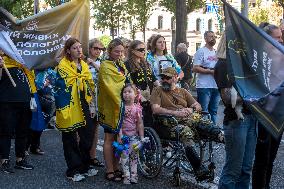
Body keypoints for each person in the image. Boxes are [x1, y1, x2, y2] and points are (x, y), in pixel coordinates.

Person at [150, 67, 224, 182]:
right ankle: (199, 169)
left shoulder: (183, 91)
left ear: (175, 78)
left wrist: (191, 109)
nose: (164, 80)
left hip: (187, 118)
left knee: (200, 119)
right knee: (186, 132)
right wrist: (175, 113)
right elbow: (155, 109)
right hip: (168, 122)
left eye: (167, 78)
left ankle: (220, 135)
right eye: (162, 77)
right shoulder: (157, 90)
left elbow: (198, 106)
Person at [214, 32, 257, 189]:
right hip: (235, 121)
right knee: (233, 169)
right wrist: (253, 92)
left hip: (251, 117)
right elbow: (227, 99)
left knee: (246, 169)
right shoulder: (223, 65)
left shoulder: (246, 63)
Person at [54, 37, 97, 182]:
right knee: (70, 138)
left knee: (87, 136)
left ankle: (85, 165)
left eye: (80, 47)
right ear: (68, 51)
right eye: (74, 48)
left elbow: (90, 84)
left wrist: (91, 105)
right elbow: (60, 87)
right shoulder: (63, 65)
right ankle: (73, 170)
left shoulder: (84, 65)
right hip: (69, 105)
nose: (79, 50)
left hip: (84, 103)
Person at [252, 24, 284, 189]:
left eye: (281, 37)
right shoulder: (258, 57)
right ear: (266, 38)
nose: (280, 40)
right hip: (263, 115)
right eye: (277, 37)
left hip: (279, 115)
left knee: (271, 158)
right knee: (262, 158)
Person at [97, 38, 129, 182]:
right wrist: (123, 100)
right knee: (109, 138)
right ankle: (109, 170)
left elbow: (127, 82)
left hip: (122, 105)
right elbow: (110, 87)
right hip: (111, 107)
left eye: (122, 51)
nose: (120, 54)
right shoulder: (105, 65)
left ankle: (116, 168)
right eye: (117, 51)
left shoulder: (121, 65)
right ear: (110, 51)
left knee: (119, 139)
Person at [0, 51, 34, 173]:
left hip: (24, 100)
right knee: (6, 132)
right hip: (7, 101)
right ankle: (4, 160)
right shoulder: (2, 60)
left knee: (23, 131)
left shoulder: (23, 62)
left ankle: (20, 159)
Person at [125, 40, 158, 127]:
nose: (143, 51)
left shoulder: (145, 63)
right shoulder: (127, 65)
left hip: (149, 95)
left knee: (149, 121)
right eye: (140, 49)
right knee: (138, 122)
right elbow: (128, 83)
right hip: (137, 98)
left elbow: (153, 78)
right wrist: (139, 96)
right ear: (132, 50)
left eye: (144, 49)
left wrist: (160, 89)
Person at [119, 83, 144, 184]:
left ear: (135, 94)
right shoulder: (121, 108)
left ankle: (134, 175)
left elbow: (140, 123)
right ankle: (126, 176)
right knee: (124, 157)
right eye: (124, 92)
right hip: (124, 137)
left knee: (134, 157)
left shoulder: (137, 108)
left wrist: (141, 137)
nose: (126, 94)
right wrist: (120, 135)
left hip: (134, 137)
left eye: (129, 92)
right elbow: (119, 123)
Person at [193, 31, 220, 125]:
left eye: (214, 36)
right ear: (205, 38)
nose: (213, 38)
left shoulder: (217, 52)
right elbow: (195, 67)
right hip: (204, 86)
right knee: (204, 111)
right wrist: (210, 71)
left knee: (214, 111)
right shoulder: (201, 51)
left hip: (216, 86)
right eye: (211, 36)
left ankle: (214, 132)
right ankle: (204, 132)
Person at [86, 38, 105, 167]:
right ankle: (82, 156)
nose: (98, 51)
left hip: (98, 99)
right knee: (82, 128)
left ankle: (92, 157)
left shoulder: (102, 62)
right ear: (89, 48)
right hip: (85, 98)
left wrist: (92, 63)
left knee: (95, 128)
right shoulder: (82, 62)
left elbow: (104, 74)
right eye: (95, 48)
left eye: (100, 49)